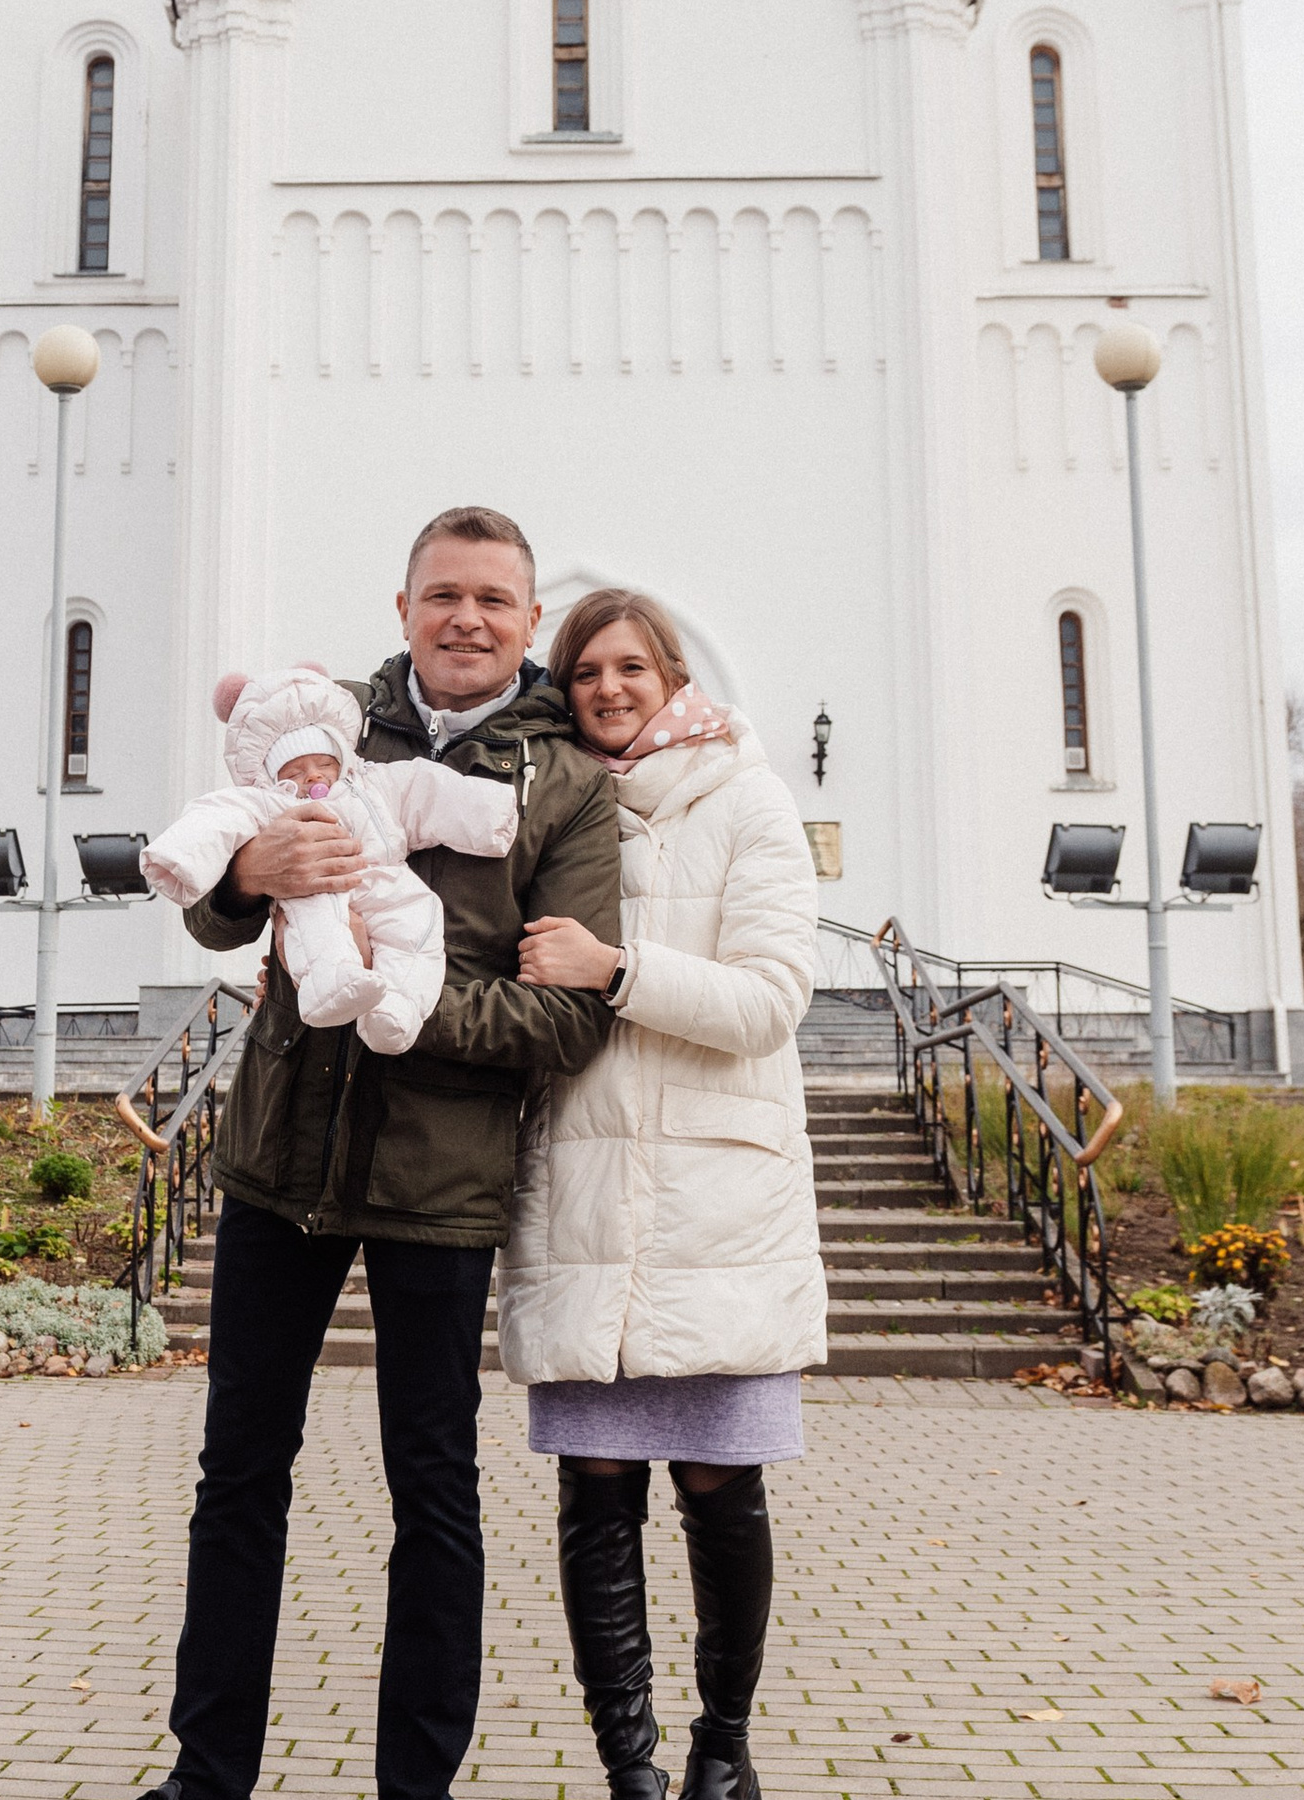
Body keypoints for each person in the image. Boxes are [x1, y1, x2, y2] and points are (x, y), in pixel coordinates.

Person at [142, 507, 622, 1800]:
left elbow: (569, 1014)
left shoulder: (565, 780)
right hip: (278, 1162)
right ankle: (207, 1773)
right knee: (239, 1473)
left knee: (435, 1493)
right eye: (442, 595)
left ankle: (416, 1787)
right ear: (403, 607)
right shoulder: (328, 723)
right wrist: (249, 865)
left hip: (442, 1183)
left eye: (495, 601)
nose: (466, 619)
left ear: (531, 621)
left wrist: (411, 1014)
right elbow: (214, 910)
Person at [500, 587, 825, 1800]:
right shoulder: (549, 801)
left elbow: (768, 1000)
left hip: (713, 1207)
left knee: (717, 1484)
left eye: (630, 666)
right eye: (585, 669)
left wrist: (617, 967)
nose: (606, 687)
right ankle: (627, 1765)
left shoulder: (746, 799)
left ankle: (721, 1749)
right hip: (584, 1191)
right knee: (594, 1493)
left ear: (672, 675)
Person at [140, 664, 518, 1053]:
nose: (313, 777)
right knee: (317, 924)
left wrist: (494, 814)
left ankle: (395, 1010)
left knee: (419, 922)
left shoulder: (370, 783)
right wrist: (179, 859)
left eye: (323, 765)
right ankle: (329, 987)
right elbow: (216, 817)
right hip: (313, 886)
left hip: (384, 879)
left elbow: (426, 791)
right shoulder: (271, 802)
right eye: (297, 770)